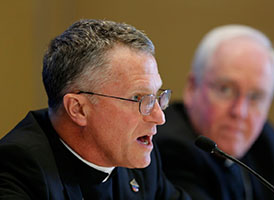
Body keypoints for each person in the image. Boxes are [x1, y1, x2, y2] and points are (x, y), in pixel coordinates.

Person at [0, 19, 191, 200]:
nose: (159, 117)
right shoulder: (17, 167)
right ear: (78, 109)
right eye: (137, 98)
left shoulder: (137, 156)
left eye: (157, 96)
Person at [155, 24, 274, 200]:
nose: (240, 112)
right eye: (225, 90)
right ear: (192, 88)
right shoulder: (172, 148)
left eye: (255, 97)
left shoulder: (263, 140)